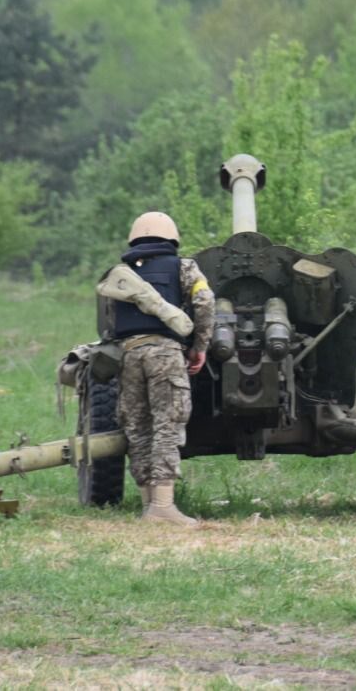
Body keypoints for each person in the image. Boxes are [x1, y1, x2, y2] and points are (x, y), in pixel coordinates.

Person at [97, 211, 214, 526]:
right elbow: (204, 302)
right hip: (165, 353)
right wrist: (200, 347)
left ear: (134, 239)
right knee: (168, 424)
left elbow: (108, 323)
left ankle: (149, 503)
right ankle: (163, 508)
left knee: (138, 428)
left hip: (130, 355)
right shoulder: (184, 267)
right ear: (172, 238)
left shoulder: (118, 274)